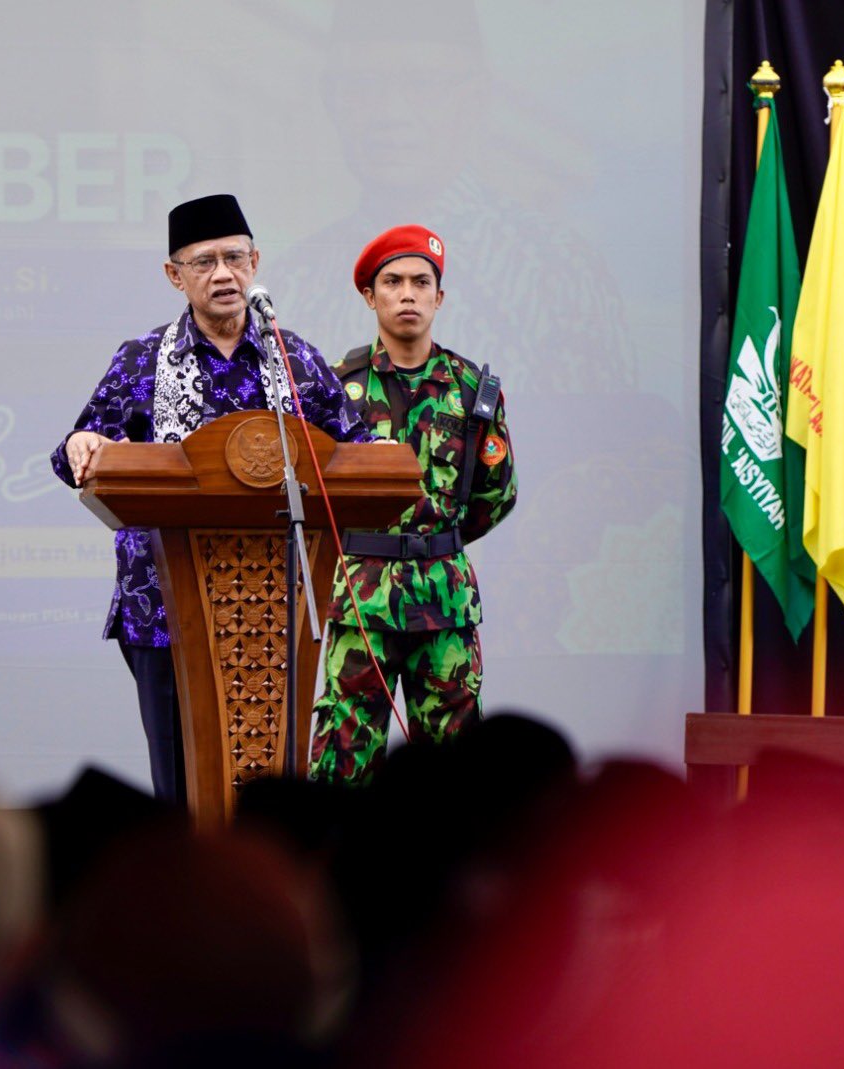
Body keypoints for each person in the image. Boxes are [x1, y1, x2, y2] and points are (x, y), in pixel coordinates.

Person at [50, 194, 373, 803]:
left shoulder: (296, 359)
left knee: (273, 789)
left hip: (278, 605)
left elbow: (355, 450)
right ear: (175, 277)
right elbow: (74, 454)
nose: (223, 274)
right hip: (165, 604)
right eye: (203, 263)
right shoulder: (142, 361)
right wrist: (81, 443)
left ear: (255, 262)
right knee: (181, 780)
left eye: (233, 258)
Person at [309, 226, 517, 786]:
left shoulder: (474, 390)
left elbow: (496, 495)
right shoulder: (334, 386)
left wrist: (431, 544)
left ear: (439, 298)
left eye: (421, 282)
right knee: (345, 761)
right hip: (360, 598)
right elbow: (314, 490)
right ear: (370, 296)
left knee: (457, 770)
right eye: (393, 282)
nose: (407, 294)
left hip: (444, 600)